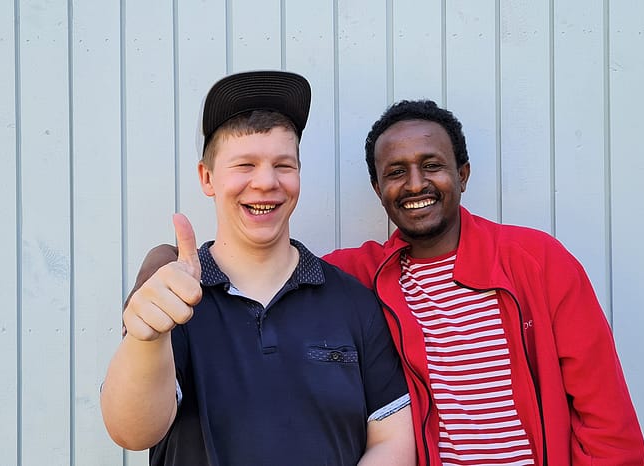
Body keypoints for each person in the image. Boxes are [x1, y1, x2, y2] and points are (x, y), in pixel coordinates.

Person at [100, 70, 414, 466]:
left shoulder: (353, 303)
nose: (266, 182)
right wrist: (145, 340)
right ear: (207, 178)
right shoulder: (171, 299)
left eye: (283, 165)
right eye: (245, 164)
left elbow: (392, 440)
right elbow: (132, 432)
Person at [322, 100, 644, 466]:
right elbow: (279, 270)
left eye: (432, 166)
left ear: (462, 174)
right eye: (396, 172)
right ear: (378, 188)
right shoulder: (360, 275)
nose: (415, 184)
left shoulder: (538, 261)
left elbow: (606, 421)